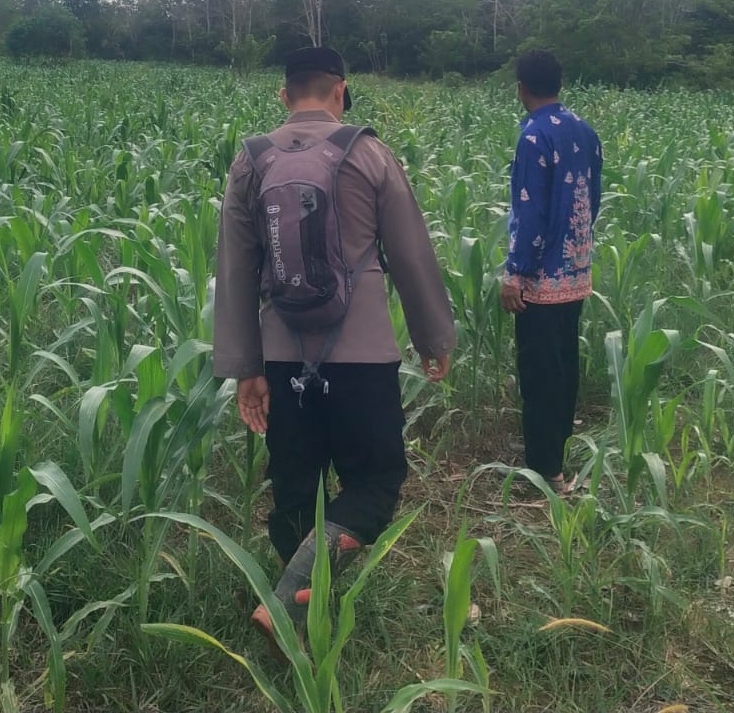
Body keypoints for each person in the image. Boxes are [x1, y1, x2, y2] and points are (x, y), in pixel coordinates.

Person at [213, 45, 457, 643]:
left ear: (284, 95)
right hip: (363, 356)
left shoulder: (251, 161)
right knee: (375, 481)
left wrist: (246, 367)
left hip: (281, 353)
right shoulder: (369, 153)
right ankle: (293, 608)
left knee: (296, 483)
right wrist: (432, 336)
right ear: (340, 90)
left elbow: (236, 270)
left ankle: (297, 607)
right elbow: (410, 253)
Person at [498, 49, 602, 488]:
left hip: (541, 280)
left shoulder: (533, 136)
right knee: (563, 366)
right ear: (560, 84)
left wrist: (515, 274)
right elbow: (593, 199)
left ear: (521, 88)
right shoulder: (584, 130)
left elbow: (531, 212)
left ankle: (546, 472)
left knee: (539, 373)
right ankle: (554, 451)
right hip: (576, 271)